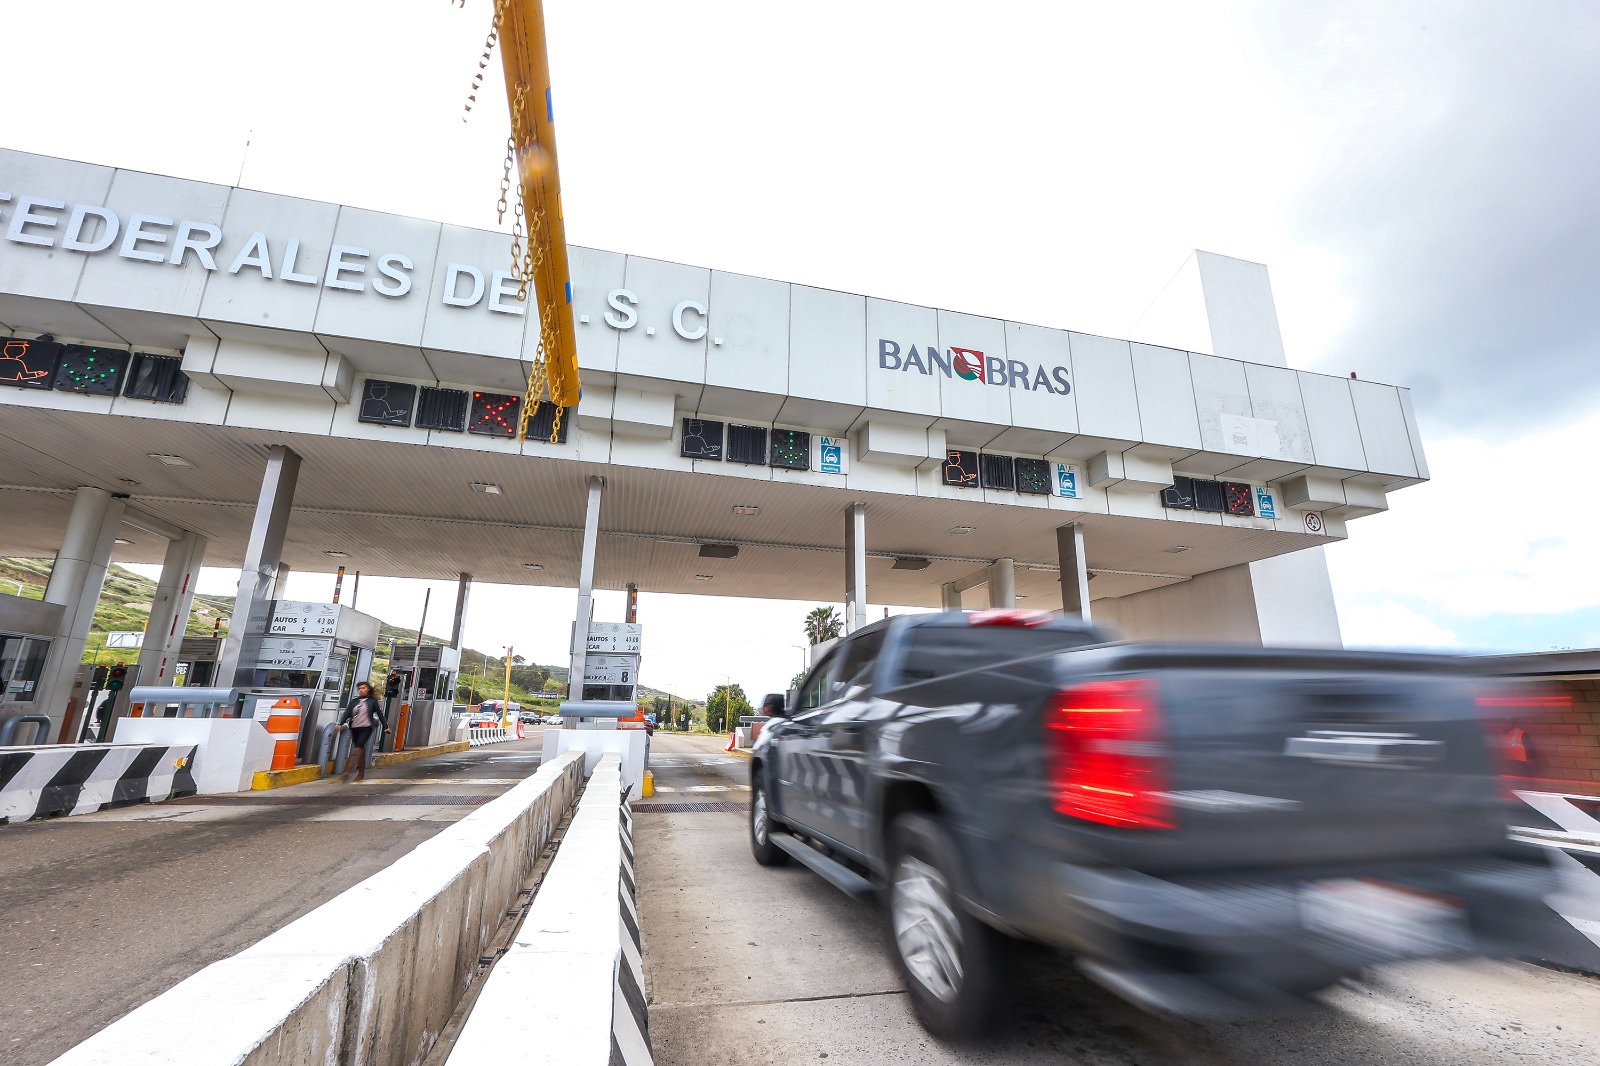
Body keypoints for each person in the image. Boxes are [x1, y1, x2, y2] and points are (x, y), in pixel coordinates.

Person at [336, 680, 391, 783]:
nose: (361, 690)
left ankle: (348, 771)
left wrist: (386, 727)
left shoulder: (372, 701)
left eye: (363, 688)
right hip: (355, 727)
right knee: (359, 748)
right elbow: (347, 713)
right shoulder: (354, 701)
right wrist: (340, 724)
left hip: (366, 727)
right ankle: (361, 772)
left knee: (357, 747)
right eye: (359, 689)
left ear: (368, 689)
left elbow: (380, 715)